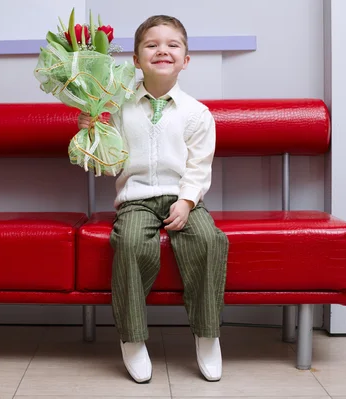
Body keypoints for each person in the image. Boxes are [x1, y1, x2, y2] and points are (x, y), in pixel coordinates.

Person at [78, 15, 229, 384]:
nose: (162, 50)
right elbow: (107, 164)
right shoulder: (119, 107)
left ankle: (207, 333)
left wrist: (188, 202)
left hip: (183, 199)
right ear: (135, 59)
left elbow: (199, 166)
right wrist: (92, 132)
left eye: (172, 44)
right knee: (128, 243)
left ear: (186, 60)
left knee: (209, 240)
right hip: (136, 199)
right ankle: (132, 337)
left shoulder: (197, 113)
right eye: (151, 44)